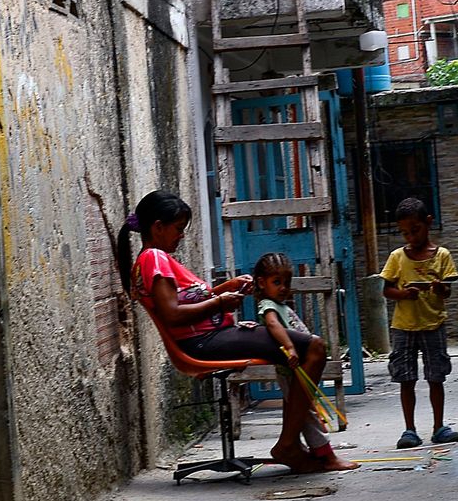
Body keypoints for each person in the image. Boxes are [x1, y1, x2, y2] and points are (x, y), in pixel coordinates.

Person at [116, 189, 329, 473]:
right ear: (157, 227)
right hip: (205, 342)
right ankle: (289, 444)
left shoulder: (154, 258)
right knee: (314, 348)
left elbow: (186, 302)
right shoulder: (154, 257)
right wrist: (219, 303)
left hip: (210, 336)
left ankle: (300, 445)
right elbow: (173, 314)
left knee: (302, 351)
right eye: (178, 229)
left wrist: (223, 291)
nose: (181, 236)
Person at [252, 251, 359, 472]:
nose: (283, 287)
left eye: (286, 282)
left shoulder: (280, 304)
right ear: (261, 283)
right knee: (308, 413)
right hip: (291, 370)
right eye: (276, 282)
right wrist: (291, 347)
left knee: (300, 411)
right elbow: (273, 326)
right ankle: (326, 455)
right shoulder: (267, 306)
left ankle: (302, 449)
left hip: (298, 369)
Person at [381, 197, 458, 449]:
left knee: (436, 377)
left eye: (414, 230)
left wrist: (439, 288)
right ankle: (409, 430)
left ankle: (439, 427)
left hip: (433, 324)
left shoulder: (442, 256)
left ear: (428, 223)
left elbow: (447, 291)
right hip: (404, 326)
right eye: (404, 232)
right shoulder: (397, 257)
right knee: (406, 379)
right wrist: (404, 294)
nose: (410, 237)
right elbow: (386, 290)